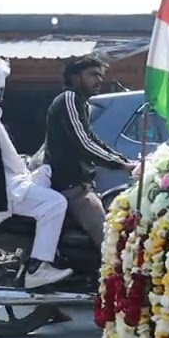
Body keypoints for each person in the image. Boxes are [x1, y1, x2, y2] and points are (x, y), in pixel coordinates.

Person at [0, 59, 73, 289]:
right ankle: (39, 267)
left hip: (14, 182)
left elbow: (7, 158)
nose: (0, 93)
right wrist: (0, 66)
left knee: (48, 173)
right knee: (55, 204)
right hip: (1, 191)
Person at [45, 55, 135, 247]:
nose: (99, 80)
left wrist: (123, 159)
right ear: (76, 77)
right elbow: (83, 143)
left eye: (100, 76)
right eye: (93, 75)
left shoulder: (81, 103)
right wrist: (120, 165)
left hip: (81, 184)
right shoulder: (69, 99)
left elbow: (92, 138)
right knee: (109, 242)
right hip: (72, 187)